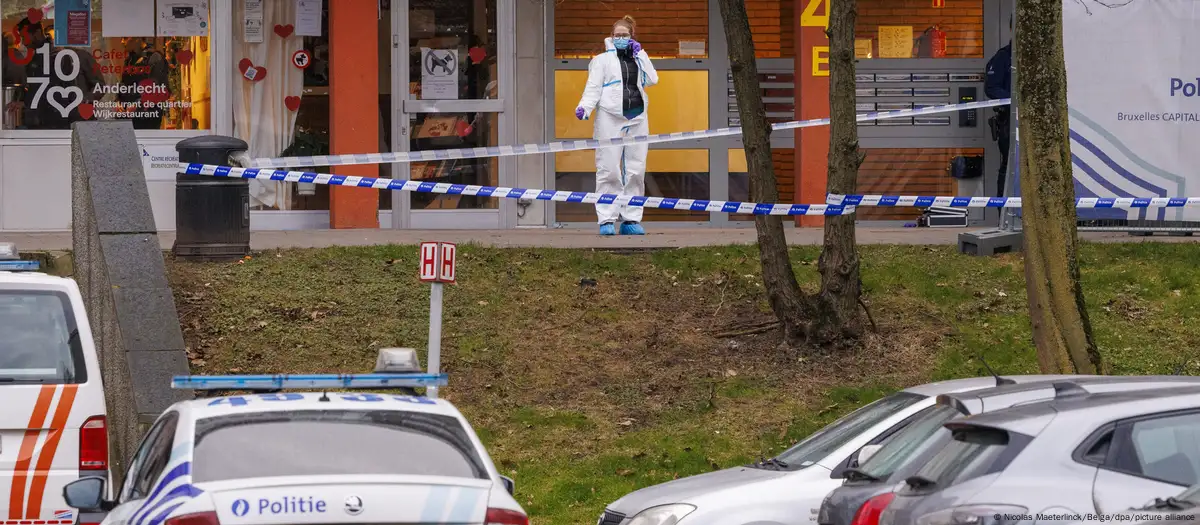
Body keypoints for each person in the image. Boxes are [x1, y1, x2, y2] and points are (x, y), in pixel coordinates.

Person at [574, 15, 659, 236]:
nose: (621, 38)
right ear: (611, 36)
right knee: (608, 168)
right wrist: (585, 107)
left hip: (637, 117)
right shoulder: (601, 61)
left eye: (625, 35)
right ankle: (606, 219)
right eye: (617, 35)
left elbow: (652, 79)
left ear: (632, 37)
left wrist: (641, 54)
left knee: (635, 169)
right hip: (609, 116)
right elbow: (593, 87)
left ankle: (631, 218)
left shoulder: (638, 58)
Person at [985, 16, 1012, 197]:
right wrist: (1015, 101)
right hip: (1010, 122)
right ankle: (1003, 212)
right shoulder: (1003, 56)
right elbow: (991, 87)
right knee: (1009, 164)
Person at [119, 37, 169, 129]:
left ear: (137, 37)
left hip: (147, 118)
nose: (122, 42)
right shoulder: (129, 60)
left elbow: (156, 89)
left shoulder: (155, 57)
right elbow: (123, 84)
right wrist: (118, 101)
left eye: (125, 38)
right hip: (128, 117)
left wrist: (137, 104)